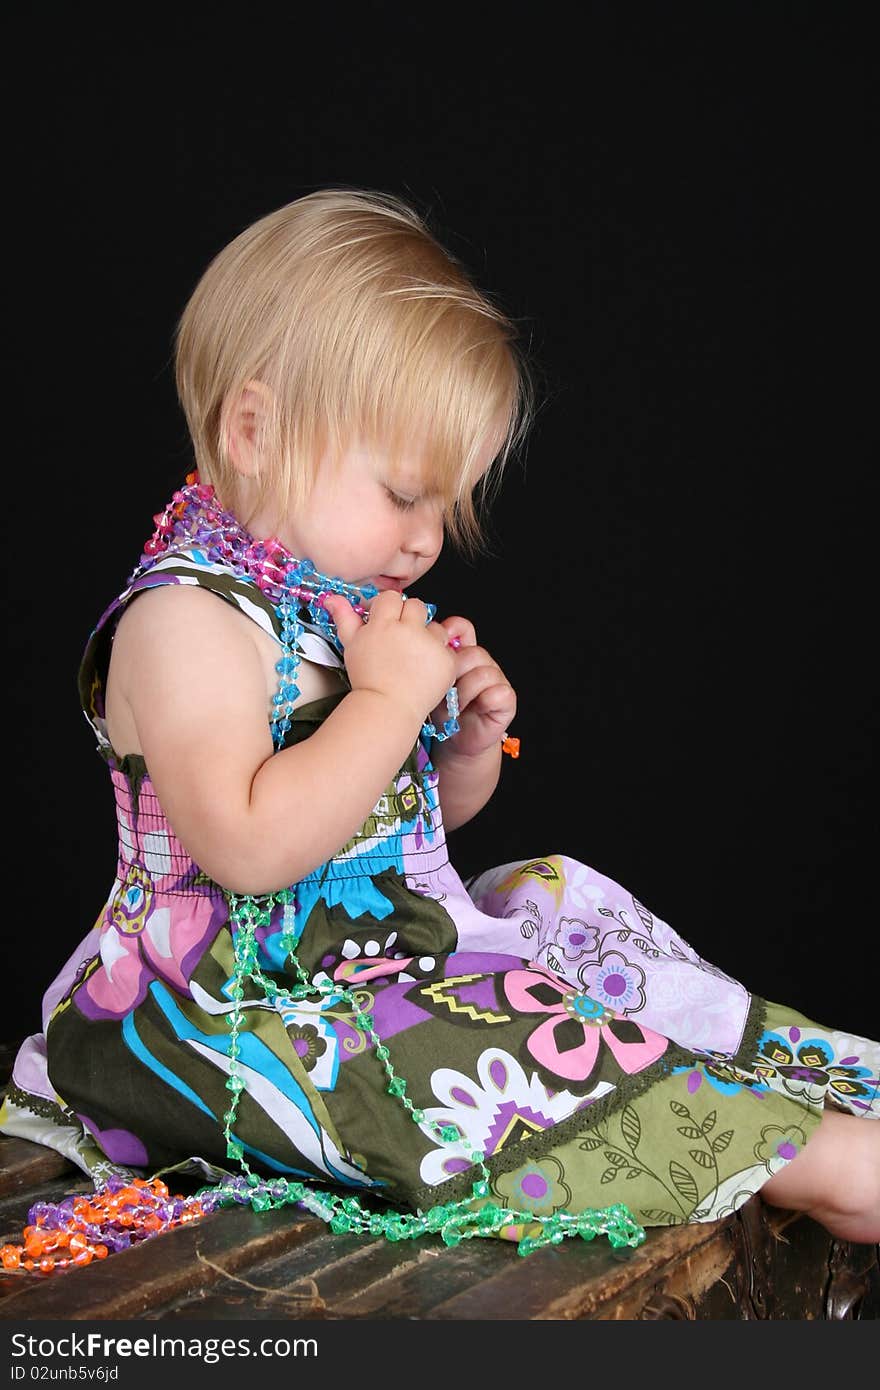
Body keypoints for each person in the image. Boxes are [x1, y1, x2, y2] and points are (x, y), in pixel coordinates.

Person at [2, 189, 877, 1273]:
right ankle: (812, 1159)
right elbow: (249, 846)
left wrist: (452, 748)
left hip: (368, 963)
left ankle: (781, 1081)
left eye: (445, 507)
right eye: (404, 494)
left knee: (557, 898)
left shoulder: (325, 602)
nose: (423, 542)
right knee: (473, 1039)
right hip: (229, 1021)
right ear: (253, 430)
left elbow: (391, 842)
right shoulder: (184, 621)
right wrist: (380, 704)